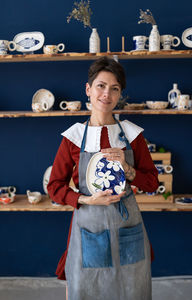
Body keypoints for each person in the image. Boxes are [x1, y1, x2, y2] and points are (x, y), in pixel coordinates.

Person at [47, 56, 159, 300]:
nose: (106, 94)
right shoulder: (73, 137)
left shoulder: (132, 134)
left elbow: (152, 182)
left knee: (132, 291)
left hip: (127, 228)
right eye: (101, 85)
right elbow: (54, 186)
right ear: (88, 89)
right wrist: (87, 200)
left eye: (114, 88)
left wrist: (128, 170)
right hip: (89, 228)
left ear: (120, 95)